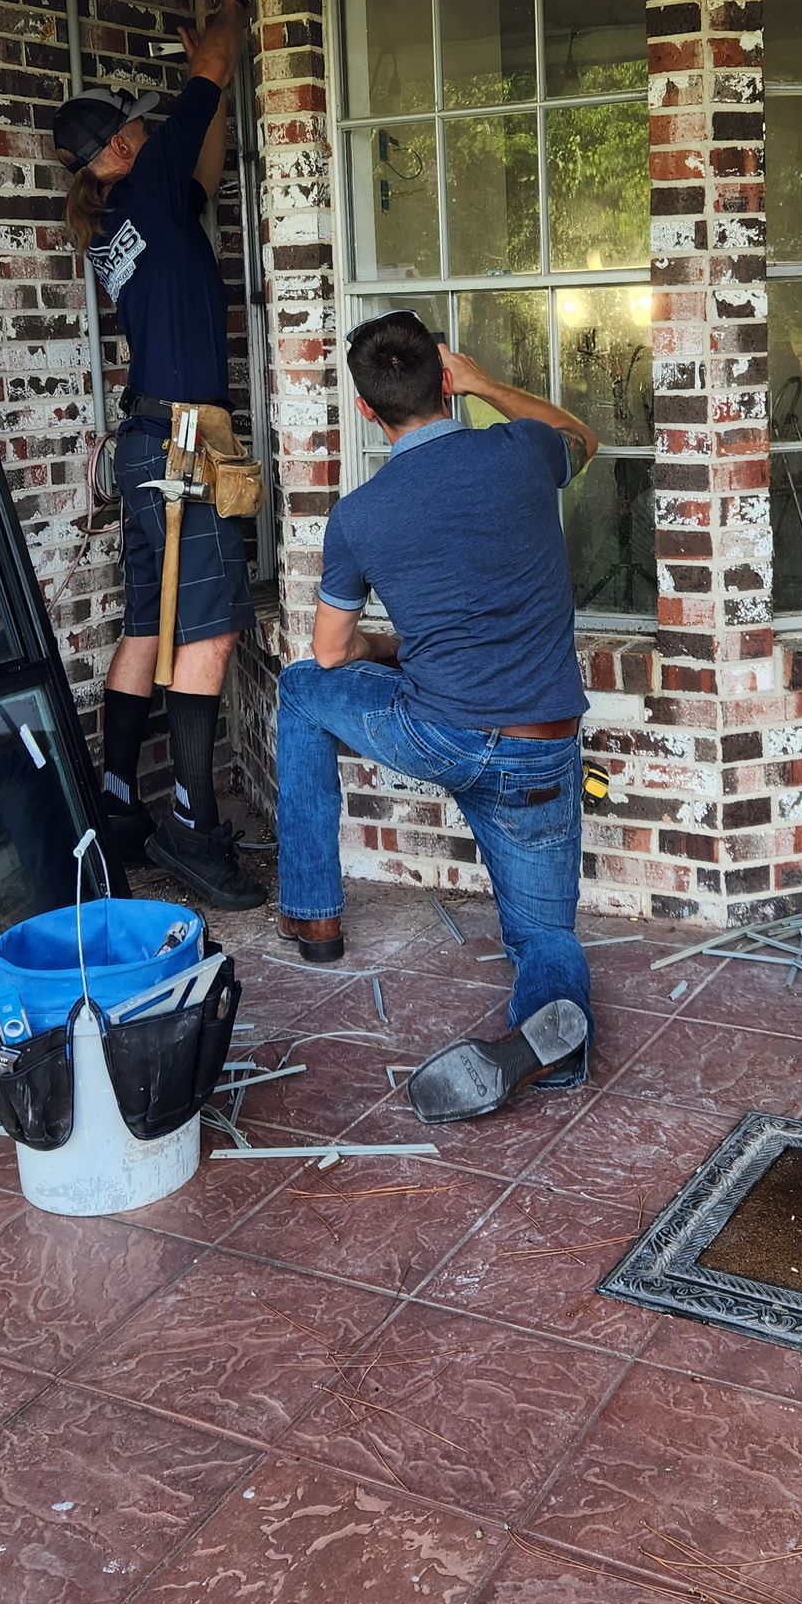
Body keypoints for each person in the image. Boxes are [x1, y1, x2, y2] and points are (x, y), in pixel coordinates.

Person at [276, 310, 597, 1121]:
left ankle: (313, 916)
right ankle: (559, 1044)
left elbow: (327, 656)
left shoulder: (359, 515)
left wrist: (398, 646)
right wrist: (489, 383)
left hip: (439, 734)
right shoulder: (524, 453)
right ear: (445, 381)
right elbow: (581, 437)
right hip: (541, 744)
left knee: (299, 691)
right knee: (545, 936)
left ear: (365, 411)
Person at [52, 0, 264, 913]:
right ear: (125, 143)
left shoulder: (122, 219)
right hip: (185, 442)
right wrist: (224, 39)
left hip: (146, 444)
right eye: (137, 128)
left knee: (146, 626)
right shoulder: (142, 181)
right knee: (207, 630)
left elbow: (202, 177)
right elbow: (209, 82)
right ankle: (189, 822)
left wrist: (211, 77)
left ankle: (113, 808)